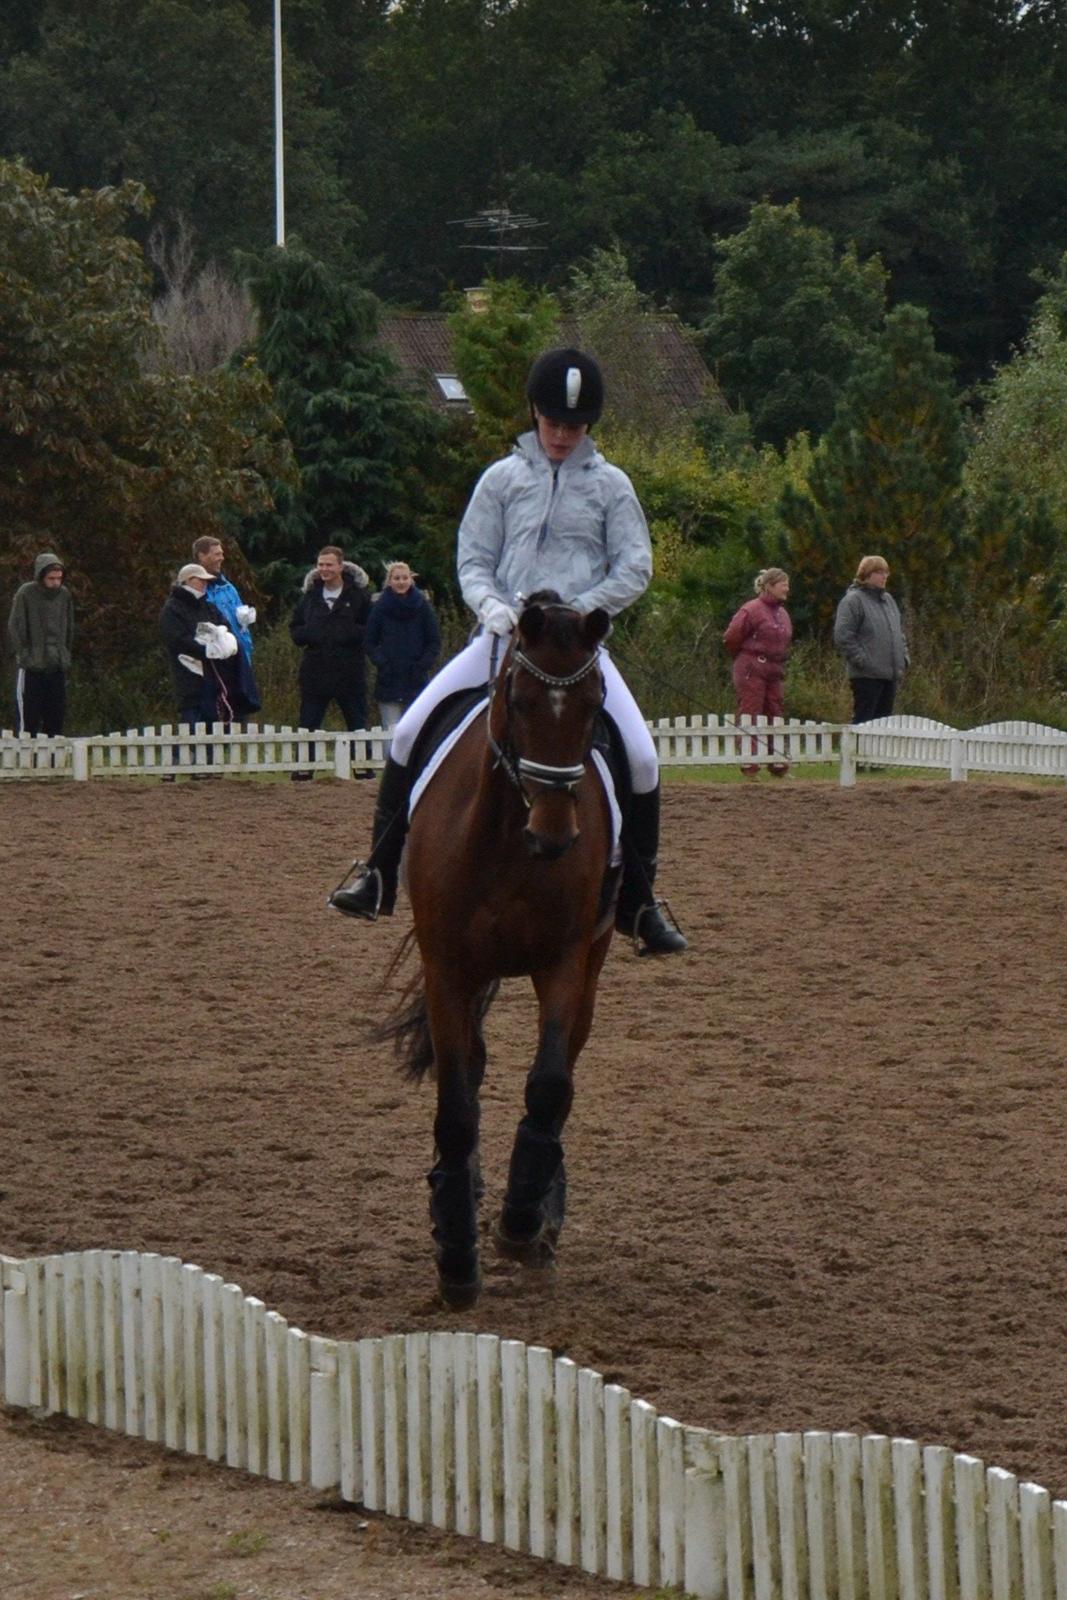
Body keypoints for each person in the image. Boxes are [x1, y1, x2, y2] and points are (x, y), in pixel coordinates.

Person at [328, 346, 687, 956]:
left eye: (574, 428)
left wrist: (582, 612)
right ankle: (379, 872)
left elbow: (636, 566)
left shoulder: (612, 487)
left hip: (575, 653)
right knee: (408, 733)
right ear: (535, 415)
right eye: (553, 424)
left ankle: (640, 902)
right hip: (499, 639)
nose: (562, 437)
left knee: (644, 759)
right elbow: (472, 561)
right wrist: (496, 610)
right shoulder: (501, 479)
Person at [290, 546, 373, 737]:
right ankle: (304, 766)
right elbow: (295, 628)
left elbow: (370, 628)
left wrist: (346, 633)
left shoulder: (359, 596)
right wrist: (311, 633)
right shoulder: (309, 597)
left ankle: (362, 766)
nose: (325, 569)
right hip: (315, 672)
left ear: (341, 566)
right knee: (308, 724)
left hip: (350, 671)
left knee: (357, 724)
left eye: (329, 565)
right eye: (321, 564)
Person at [723, 567, 793, 777]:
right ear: (770, 586)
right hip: (751, 667)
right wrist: (747, 658)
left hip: (774, 668)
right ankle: (750, 765)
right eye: (783, 584)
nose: (787, 588)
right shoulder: (751, 609)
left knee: (775, 712)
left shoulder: (782, 613)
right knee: (750, 713)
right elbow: (731, 637)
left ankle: (778, 764)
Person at [159, 562, 240, 736]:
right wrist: (206, 649)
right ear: (187, 581)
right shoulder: (172, 609)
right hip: (187, 674)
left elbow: (226, 627)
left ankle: (210, 760)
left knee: (211, 722)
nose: (205, 584)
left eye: (206, 580)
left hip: (213, 675)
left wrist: (223, 645)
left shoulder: (209, 606)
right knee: (191, 724)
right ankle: (183, 759)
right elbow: (177, 639)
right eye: (200, 580)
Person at [365, 561, 441, 735]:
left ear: (411, 580)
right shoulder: (379, 608)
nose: (401, 582)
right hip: (388, 679)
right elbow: (369, 642)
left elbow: (434, 641)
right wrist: (382, 664)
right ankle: (390, 763)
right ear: (389, 581)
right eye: (397, 578)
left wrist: (422, 665)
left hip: (416, 678)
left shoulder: (423, 607)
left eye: (405, 578)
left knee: (417, 729)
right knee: (390, 730)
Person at [191, 536, 261, 718]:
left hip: (239, 656)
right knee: (218, 712)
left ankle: (238, 745)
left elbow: (240, 619)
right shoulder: (198, 590)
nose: (221, 558)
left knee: (240, 708)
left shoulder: (228, 587)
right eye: (216, 554)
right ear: (201, 556)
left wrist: (246, 639)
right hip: (216, 662)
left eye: (221, 554)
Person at [833, 555, 908, 723]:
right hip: (866, 675)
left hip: (890, 674)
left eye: (886, 572)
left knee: (884, 724)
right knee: (864, 721)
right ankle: (857, 750)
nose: (884, 576)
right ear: (866, 574)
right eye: (879, 572)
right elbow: (843, 635)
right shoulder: (853, 601)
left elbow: (898, 632)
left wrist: (904, 658)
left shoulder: (888, 601)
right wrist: (863, 660)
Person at [7, 551, 74, 736]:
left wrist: (64, 654)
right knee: (28, 720)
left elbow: (69, 627)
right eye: (51, 578)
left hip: (56, 665)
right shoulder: (26, 593)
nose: (55, 582)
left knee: (55, 717)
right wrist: (25, 655)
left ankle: (54, 762)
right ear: (41, 576)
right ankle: (27, 761)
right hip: (32, 666)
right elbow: (16, 626)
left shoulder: (64, 595)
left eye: (59, 578)